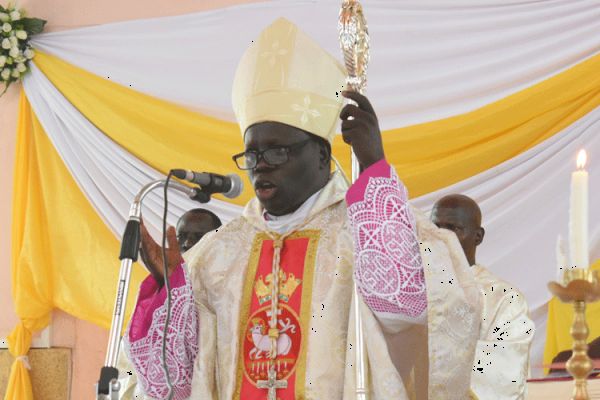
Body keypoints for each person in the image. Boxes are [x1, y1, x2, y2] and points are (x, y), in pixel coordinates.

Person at [118, 18, 482, 400]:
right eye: (253, 154)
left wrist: (373, 166)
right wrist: (170, 288)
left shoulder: (365, 230)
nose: (261, 165)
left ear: (322, 155)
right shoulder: (217, 256)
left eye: (277, 150)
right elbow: (172, 385)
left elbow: (406, 312)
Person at [431, 194, 535, 399]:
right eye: (435, 228)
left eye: (452, 228)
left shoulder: (504, 298)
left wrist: (430, 355)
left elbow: (507, 369)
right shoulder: (412, 292)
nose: (441, 237)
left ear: (478, 236)